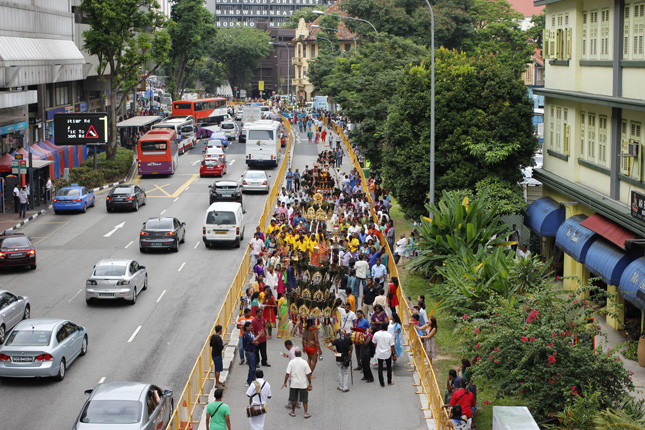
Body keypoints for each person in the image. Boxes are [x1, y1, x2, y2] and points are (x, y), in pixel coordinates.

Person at [282, 349, 312, 418]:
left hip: (294, 384)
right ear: (301, 354)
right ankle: (305, 413)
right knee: (305, 400)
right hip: (303, 384)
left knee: (293, 399)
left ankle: (293, 412)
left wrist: (285, 382)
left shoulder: (291, 362)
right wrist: (310, 383)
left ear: (295, 355)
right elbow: (308, 374)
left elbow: (287, 373)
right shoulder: (304, 362)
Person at [373, 321, 396, 387]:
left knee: (380, 368)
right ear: (387, 327)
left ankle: (382, 383)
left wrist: (377, 348)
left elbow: (374, 343)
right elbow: (392, 345)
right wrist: (395, 353)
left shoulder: (376, 334)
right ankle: (389, 381)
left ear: (380, 327)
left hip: (379, 353)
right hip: (387, 353)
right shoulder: (389, 335)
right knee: (389, 367)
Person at [210, 325, 228, 389]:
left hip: (213, 354)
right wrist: (223, 344)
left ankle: (217, 381)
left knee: (216, 368)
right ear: (220, 330)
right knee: (218, 369)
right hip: (218, 354)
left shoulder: (213, 336)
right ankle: (217, 383)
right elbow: (220, 347)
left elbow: (211, 344)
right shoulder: (218, 338)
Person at [243, 322, 259, 386]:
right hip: (249, 352)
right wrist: (259, 335)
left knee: (253, 367)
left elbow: (254, 339)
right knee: (252, 367)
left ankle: (253, 380)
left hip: (252, 351)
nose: (251, 327)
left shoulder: (250, 333)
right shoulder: (246, 334)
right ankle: (249, 381)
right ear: (246, 327)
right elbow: (252, 341)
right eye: (250, 326)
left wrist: (255, 342)